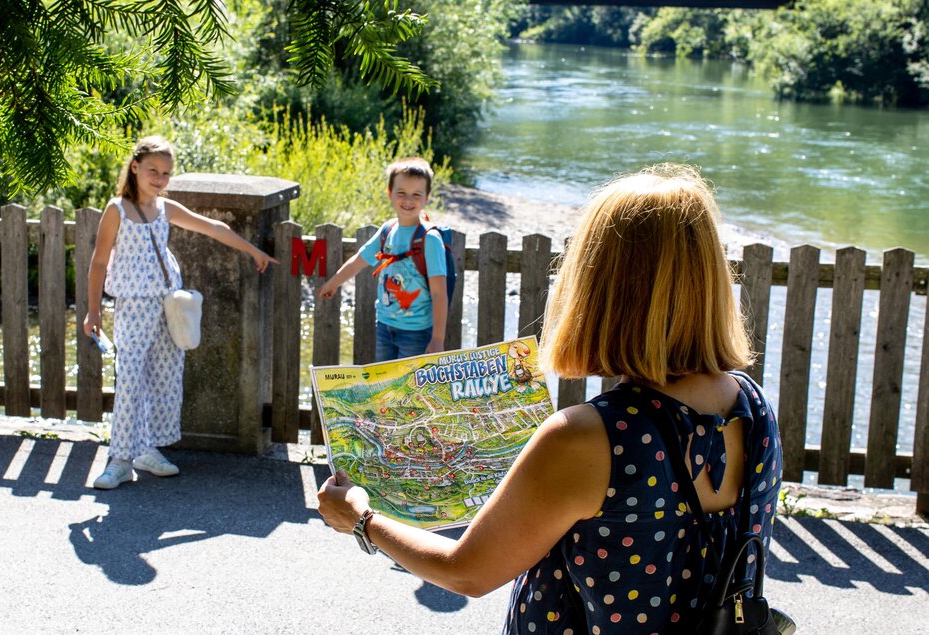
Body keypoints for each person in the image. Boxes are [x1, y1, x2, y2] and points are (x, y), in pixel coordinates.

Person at [317, 164, 784, 634]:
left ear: (599, 289)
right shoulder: (754, 407)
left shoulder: (586, 437)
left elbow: (467, 571)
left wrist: (362, 519)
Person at [83, 136, 277, 490]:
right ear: (135, 167)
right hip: (133, 305)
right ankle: (120, 460)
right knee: (129, 379)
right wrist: (92, 310)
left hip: (168, 305)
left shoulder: (165, 208)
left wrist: (253, 251)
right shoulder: (117, 209)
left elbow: (212, 227)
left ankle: (147, 449)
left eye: (166, 173)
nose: (159, 179)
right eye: (153, 171)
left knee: (165, 377)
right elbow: (98, 263)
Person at [316, 157, 448, 362]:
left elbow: (439, 293)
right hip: (384, 326)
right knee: (386, 387)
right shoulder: (388, 230)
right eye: (401, 193)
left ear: (427, 198)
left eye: (416, 194)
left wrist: (438, 338)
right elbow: (360, 260)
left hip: (416, 332)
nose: (408, 200)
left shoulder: (429, 238)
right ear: (390, 192)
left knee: (410, 389)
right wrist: (334, 283)